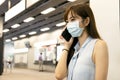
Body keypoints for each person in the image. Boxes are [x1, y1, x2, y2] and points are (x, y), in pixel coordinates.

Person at [55, 3, 108, 80]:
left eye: (73, 19)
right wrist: (66, 47)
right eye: (68, 22)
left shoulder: (98, 45)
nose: (69, 25)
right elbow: (59, 75)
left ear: (86, 21)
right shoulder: (74, 49)